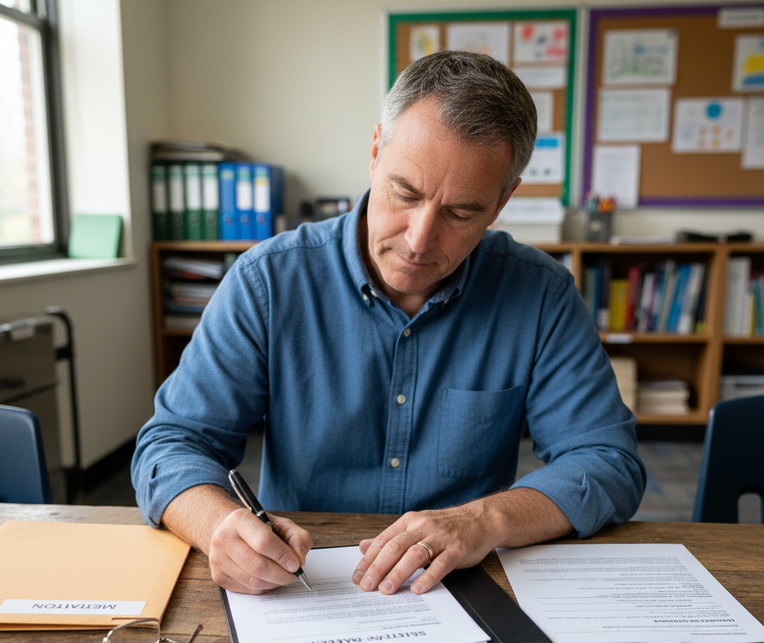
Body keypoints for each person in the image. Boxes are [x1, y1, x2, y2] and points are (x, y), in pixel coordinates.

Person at [132, 50, 645, 598]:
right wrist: (218, 527)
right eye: (406, 193)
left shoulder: (539, 294)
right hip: (302, 589)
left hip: (463, 588)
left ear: (502, 200)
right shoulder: (269, 281)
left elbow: (606, 460)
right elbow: (172, 444)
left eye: (461, 212)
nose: (419, 240)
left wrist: (484, 521)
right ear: (376, 152)